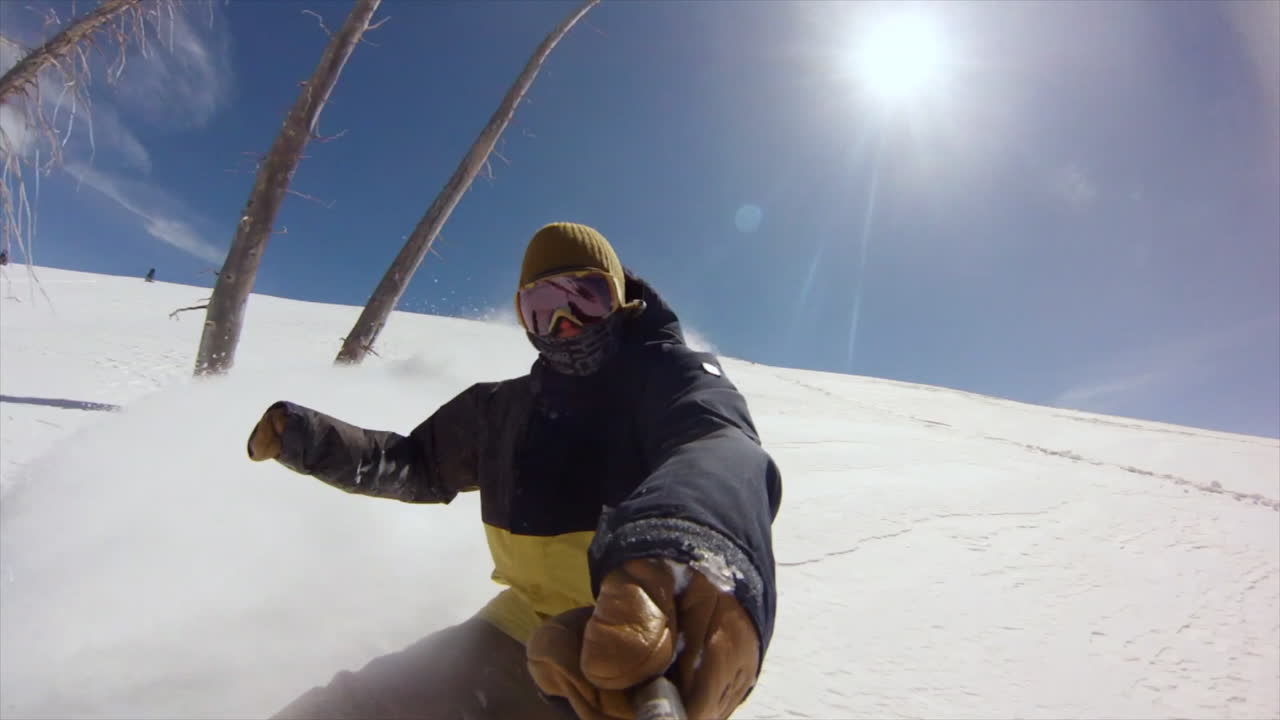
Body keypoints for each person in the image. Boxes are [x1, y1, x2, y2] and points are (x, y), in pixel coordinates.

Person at [248, 222, 782, 720]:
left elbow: (720, 445)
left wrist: (693, 547)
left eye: (585, 298)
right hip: (519, 625)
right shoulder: (502, 411)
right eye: (542, 306)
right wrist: (308, 439)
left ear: (621, 300)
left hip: (634, 641)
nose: (564, 324)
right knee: (358, 705)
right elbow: (413, 464)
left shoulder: (670, 379)